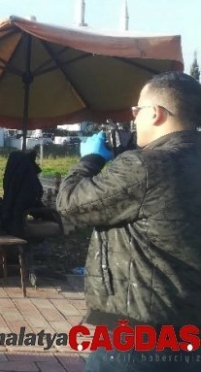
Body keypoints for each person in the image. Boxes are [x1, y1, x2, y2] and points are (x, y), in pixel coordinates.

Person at [56, 71, 201, 371]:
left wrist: (90, 160)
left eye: (137, 111)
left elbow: (70, 203)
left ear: (157, 114)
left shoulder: (144, 166)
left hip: (138, 336)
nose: (133, 119)